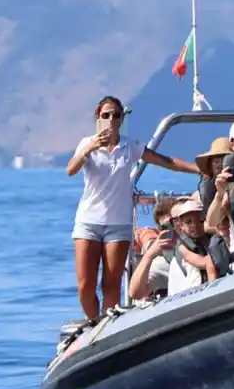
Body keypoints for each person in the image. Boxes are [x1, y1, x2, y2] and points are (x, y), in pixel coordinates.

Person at [64, 94, 197, 322]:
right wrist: (89, 149)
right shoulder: (87, 144)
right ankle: (93, 322)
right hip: (88, 221)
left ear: (121, 119)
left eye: (116, 115)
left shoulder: (129, 146)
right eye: (106, 115)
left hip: (118, 224)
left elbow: (165, 161)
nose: (111, 119)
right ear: (98, 117)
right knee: (85, 286)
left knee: (111, 284)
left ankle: (105, 326)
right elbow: (71, 169)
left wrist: (199, 170)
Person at [133, 194, 223, 299]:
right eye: (169, 224)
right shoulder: (164, 262)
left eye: (194, 217)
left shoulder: (218, 240)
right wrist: (149, 255)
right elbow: (136, 293)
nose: (177, 226)